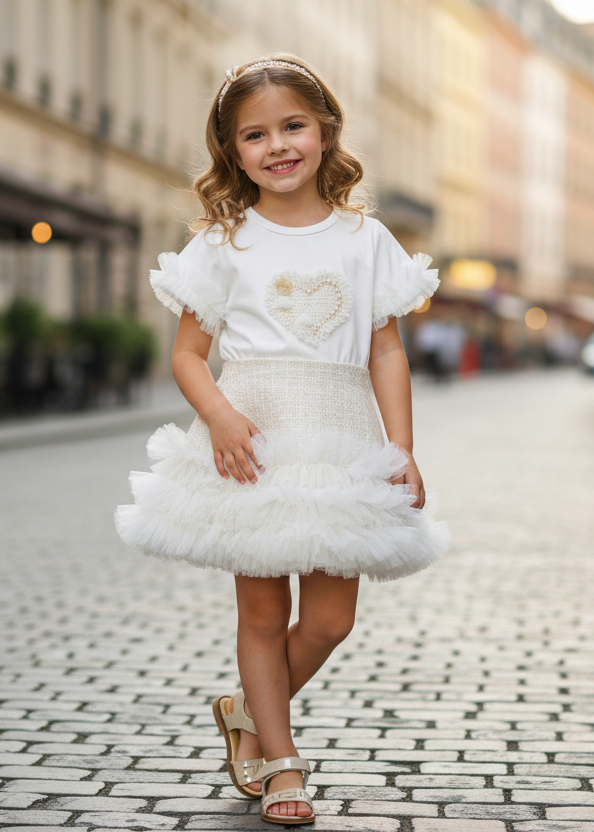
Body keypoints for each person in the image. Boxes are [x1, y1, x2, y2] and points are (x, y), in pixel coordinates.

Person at [115, 54, 450, 825]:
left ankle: (245, 712)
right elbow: (187, 355)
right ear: (233, 152)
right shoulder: (224, 242)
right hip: (253, 440)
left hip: (340, 436)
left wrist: (401, 447)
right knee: (263, 615)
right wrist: (222, 416)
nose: (277, 146)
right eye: (254, 134)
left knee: (331, 620)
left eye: (292, 126)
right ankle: (281, 763)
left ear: (326, 132)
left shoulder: (366, 239)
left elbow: (386, 351)